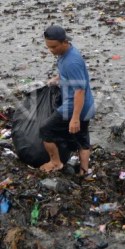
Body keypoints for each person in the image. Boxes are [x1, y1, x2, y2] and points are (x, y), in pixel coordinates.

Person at [40, 25, 95, 174]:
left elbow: (79, 91)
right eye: (49, 47)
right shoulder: (66, 53)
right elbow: (73, 76)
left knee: (45, 130)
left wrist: (75, 118)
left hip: (74, 106)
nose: (51, 50)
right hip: (86, 105)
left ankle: (56, 163)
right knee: (82, 139)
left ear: (65, 42)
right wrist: (58, 78)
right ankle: (84, 171)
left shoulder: (72, 62)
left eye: (54, 47)